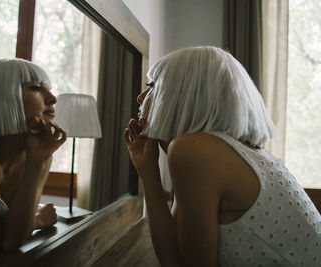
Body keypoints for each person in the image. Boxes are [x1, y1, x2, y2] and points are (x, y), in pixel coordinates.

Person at [124, 46, 321, 266]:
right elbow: (174, 258)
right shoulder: (225, 152)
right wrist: (148, 172)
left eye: (151, 86)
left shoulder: (194, 152)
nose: (140, 97)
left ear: (182, 96)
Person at [0, 58, 67, 251]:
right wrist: (37, 218)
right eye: (36, 88)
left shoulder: (35, 154)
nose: (52, 98)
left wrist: (39, 164)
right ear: (0, 96)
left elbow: (11, 242)